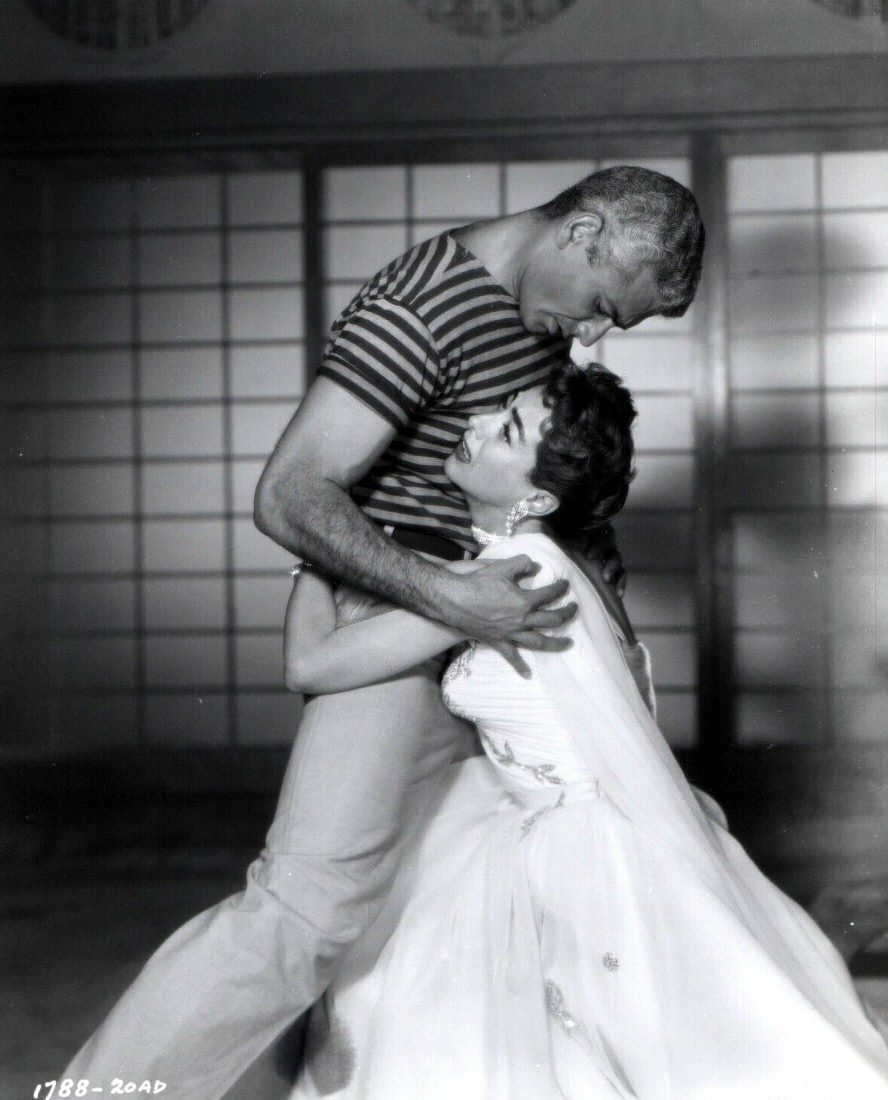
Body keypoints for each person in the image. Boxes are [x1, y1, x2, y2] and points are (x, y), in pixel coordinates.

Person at [63, 167, 704, 1099]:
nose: (596, 336)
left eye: (618, 325)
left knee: (444, 914)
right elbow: (289, 493)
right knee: (305, 912)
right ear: (582, 233)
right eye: (603, 306)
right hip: (407, 613)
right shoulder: (422, 305)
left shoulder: (541, 312)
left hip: (491, 635)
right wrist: (450, 601)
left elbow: (555, 494)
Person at [287, 363, 888, 1100]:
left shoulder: (517, 578)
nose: (473, 424)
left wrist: (317, 536)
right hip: (545, 822)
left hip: (580, 850)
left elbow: (311, 663)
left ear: (538, 495)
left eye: (505, 429)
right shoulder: (545, 563)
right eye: (499, 408)